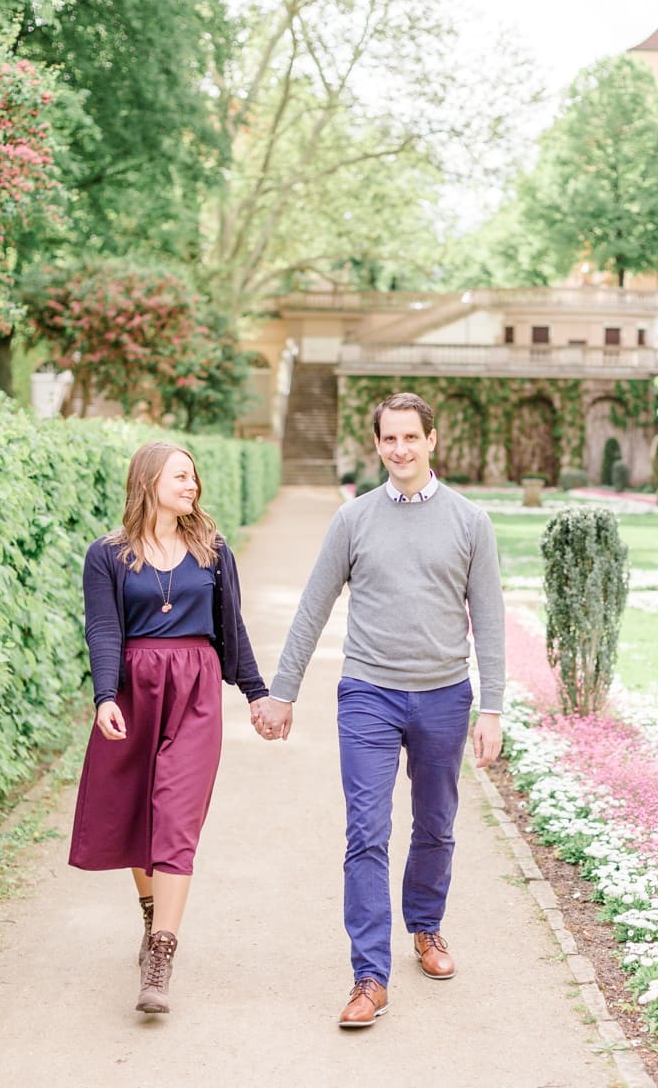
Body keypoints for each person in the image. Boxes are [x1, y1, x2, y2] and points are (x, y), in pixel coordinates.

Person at [254, 391, 505, 1029]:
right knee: (366, 832)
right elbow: (312, 606)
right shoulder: (354, 520)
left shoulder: (470, 521)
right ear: (377, 445)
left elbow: (491, 620)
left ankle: (426, 928)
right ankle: (369, 976)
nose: (399, 450)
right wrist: (282, 691)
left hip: (445, 695)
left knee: (437, 825)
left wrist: (493, 708)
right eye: (388, 439)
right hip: (368, 691)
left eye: (410, 438)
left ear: (432, 440)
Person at [70, 441, 270, 1014]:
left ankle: (161, 954)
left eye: (194, 476)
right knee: (139, 812)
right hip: (135, 690)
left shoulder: (211, 549)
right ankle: (154, 914)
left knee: (176, 816)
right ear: (149, 480)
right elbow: (103, 630)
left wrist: (257, 693)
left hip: (195, 691)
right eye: (181, 476)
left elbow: (232, 626)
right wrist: (105, 696)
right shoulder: (106, 554)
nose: (192, 485)